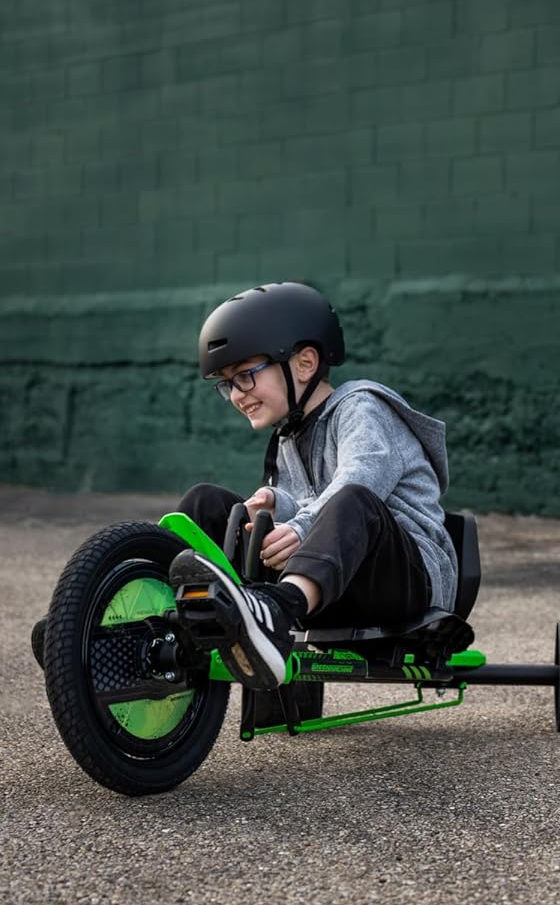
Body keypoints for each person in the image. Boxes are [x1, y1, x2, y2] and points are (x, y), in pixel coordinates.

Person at [167, 281, 457, 691]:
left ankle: (274, 614)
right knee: (205, 504)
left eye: (246, 375)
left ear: (304, 363)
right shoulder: (289, 437)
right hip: (332, 589)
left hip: (404, 585)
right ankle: (159, 620)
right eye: (227, 383)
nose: (236, 394)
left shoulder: (362, 408)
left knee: (354, 497)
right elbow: (310, 503)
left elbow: (360, 482)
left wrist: (300, 526)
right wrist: (276, 508)